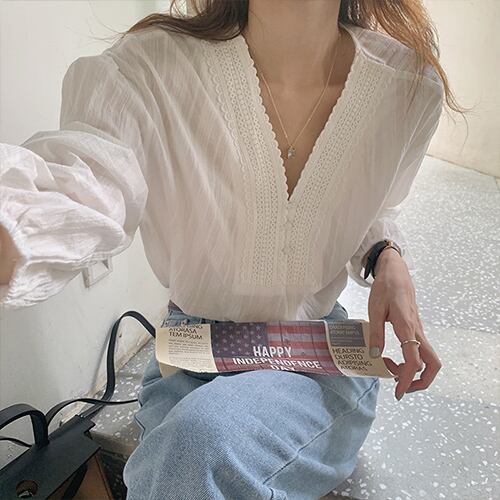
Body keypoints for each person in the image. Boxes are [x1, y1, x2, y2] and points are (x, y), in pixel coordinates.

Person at [0, 1, 464, 498]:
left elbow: (375, 203)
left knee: (198, 447)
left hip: (316, 357)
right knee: (189, 452)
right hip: (192, 355)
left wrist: (386, 255)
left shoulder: (407, 88)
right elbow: (83, 183)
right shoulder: (146, 70)